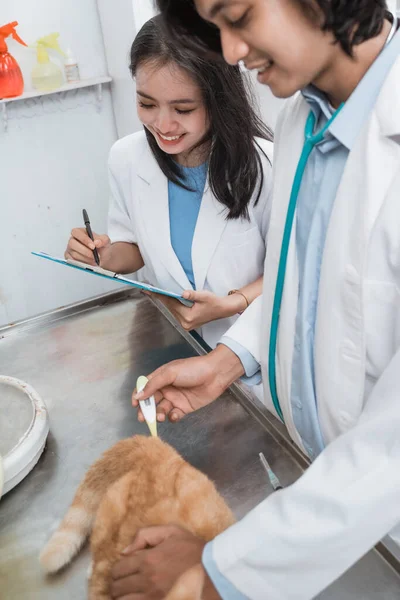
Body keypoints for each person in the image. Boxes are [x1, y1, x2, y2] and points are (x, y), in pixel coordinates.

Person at [110, 1, 400, 599]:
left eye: (239, 16)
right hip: (318, 496)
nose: (232, 52)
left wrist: (224, 569)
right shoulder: (305, 118)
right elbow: (305, 286)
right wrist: (227, 361)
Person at [65, 15, 273, 353]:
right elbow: (132, 249)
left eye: (183, 108)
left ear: (218, 100)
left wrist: (233, 303)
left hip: (250, 353)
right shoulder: (126, 158)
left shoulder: (267, 165)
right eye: (146, 103)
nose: (162, 124)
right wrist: (99, 255)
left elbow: (290, 274)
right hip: (169, 343)